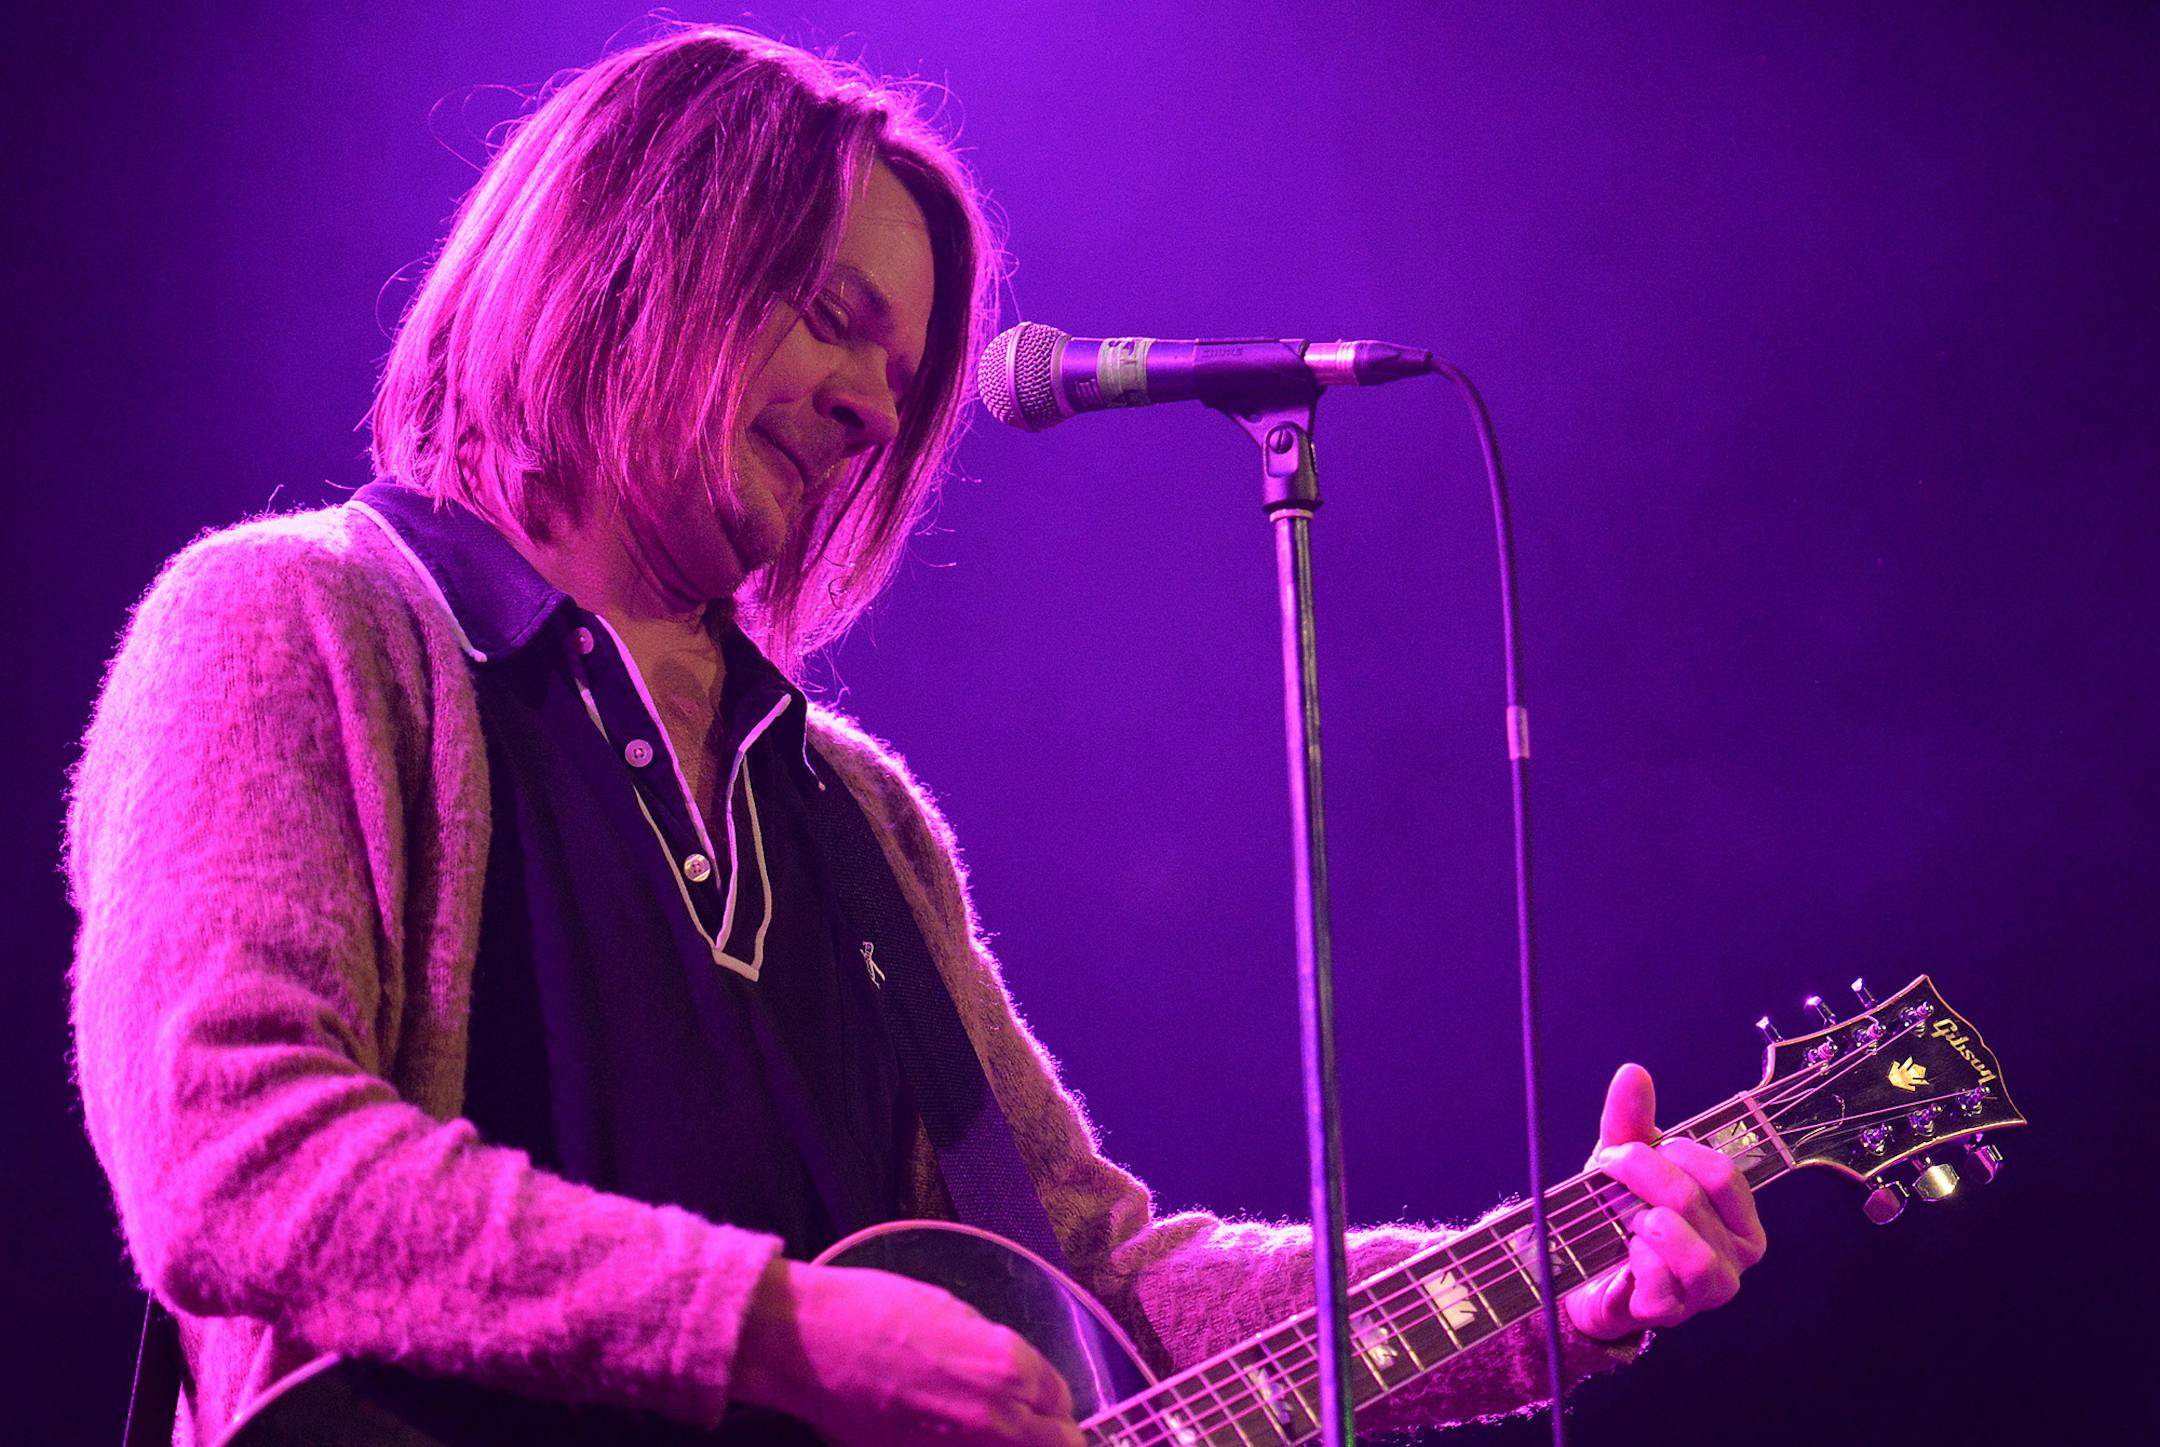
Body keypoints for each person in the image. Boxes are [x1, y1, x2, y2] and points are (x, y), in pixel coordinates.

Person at [65, 24, 1765, 1447]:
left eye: (902, 365)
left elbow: (1109, 1284)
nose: (881, 406)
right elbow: (240, 1158)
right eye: (828, 312)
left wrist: (1550, 1277)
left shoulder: (853, 816)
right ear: (627, 260)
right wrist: (784, 1330)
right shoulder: (299, 624)